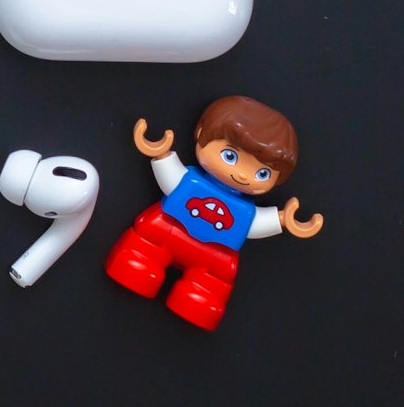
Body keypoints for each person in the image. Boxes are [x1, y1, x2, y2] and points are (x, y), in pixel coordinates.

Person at [104, 96, 323, 330]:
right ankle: (137, 264)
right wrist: (161, 155)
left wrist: (283, 220)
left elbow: (255, 224)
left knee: (210, 287)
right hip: (164, 231)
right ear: (200, 135)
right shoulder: (190, 181)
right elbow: (171, 180)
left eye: (262, 173)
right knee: (140, 255)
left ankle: (200, 300)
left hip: (214, 259)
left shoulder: (246, 211)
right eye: (230, 156)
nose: (241, 175)